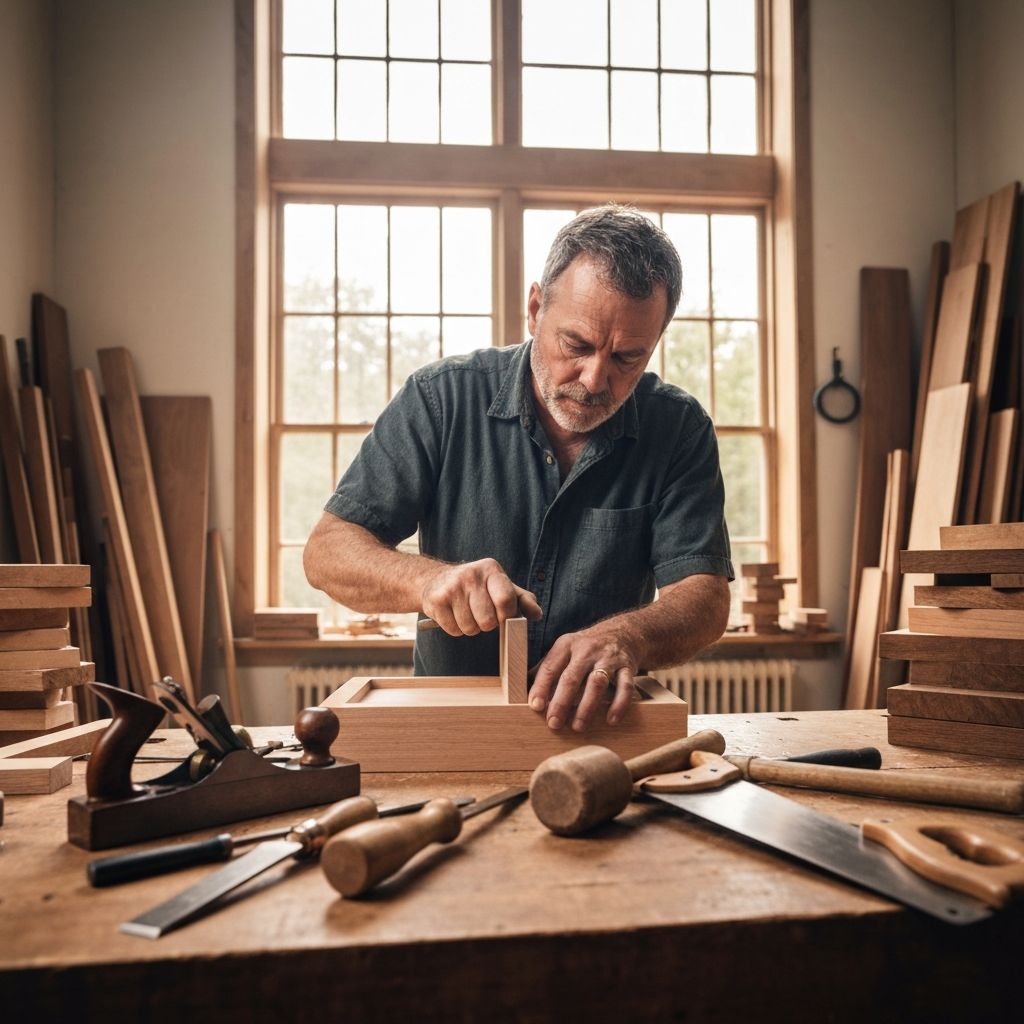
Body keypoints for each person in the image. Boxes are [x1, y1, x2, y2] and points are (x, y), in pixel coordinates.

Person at [304, 204, 733, 732]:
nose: (595, 379)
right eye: (576, 345)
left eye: (628, 358)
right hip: (451, 730)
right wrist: (429, 580)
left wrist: (629, 635)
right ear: (535, 310)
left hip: (598, 730)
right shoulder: (441, 399)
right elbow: (326, 552)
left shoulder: (679, 428)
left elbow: (706, 598)